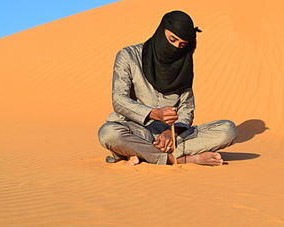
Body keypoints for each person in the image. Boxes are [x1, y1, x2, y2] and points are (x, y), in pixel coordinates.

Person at [98, 10, 238, 166]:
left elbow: (187, 109)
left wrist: (171, 133)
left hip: (173, 137)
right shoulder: (129, 56)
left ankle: (139, 153)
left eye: (182, 45)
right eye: (172, 39)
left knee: (228, 130)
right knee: (108, 134)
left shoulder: (183, 64)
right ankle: (179, 159)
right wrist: (154, 113)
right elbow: (119, 100)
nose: (175, 47)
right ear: (161, 31)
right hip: (137, 130)